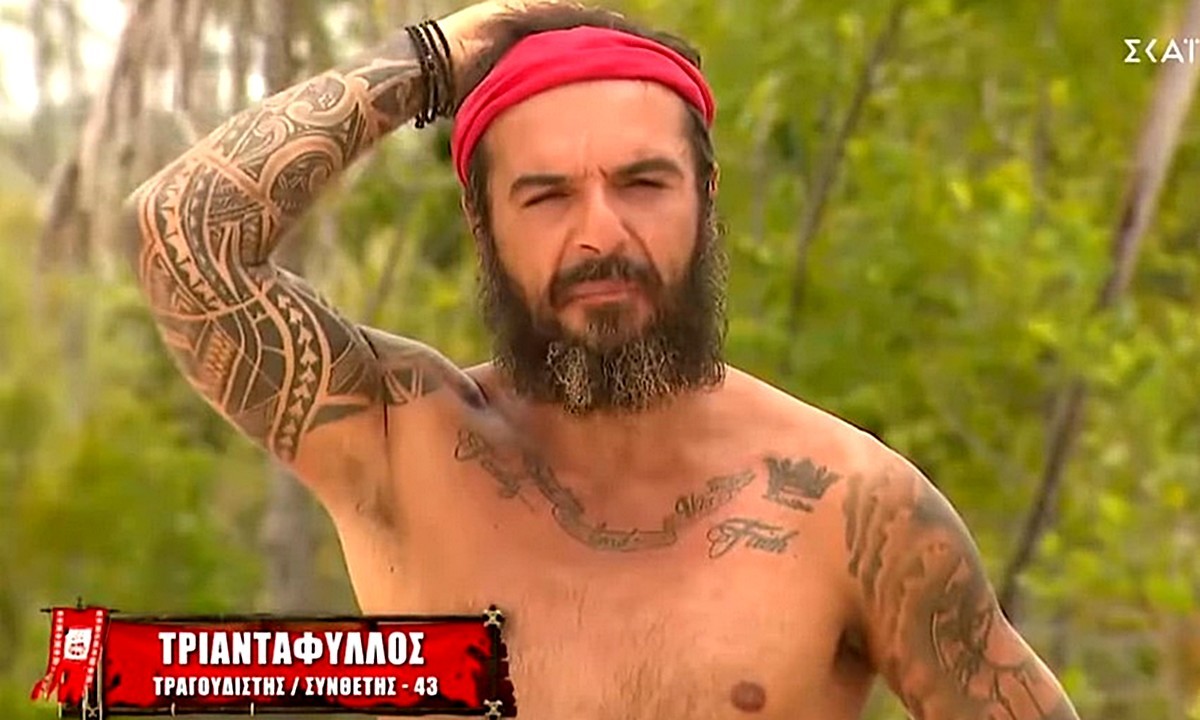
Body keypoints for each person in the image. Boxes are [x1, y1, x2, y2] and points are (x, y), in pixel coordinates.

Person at [124, 1, 1081, 717]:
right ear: (483, 223)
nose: (601, 235)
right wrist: (432, 62)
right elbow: (180, 234)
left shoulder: (853, 508)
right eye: (546, 196)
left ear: (706, 195)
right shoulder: (399, 442)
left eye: (642, 184)